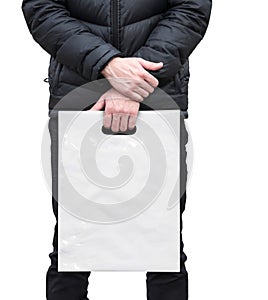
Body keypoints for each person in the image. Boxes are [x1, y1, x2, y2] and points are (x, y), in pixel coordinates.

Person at [21, 0, 212, 299]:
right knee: (73, 246)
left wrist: (133, 82)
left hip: (154, 97)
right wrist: (108, 64)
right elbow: (42, 8)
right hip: (81, 101)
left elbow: (191, 8)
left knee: (164, 248)